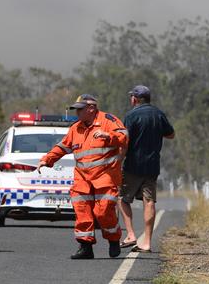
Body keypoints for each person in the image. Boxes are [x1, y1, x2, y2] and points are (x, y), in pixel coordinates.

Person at [38, 94, 128, 259]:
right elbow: (63, 147)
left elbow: (125, 138)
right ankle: (85, 247)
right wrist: (46, 160)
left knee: (103, 212)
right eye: (76, 110)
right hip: (82, 178)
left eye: (80, 110)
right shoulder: (75, 128)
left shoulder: (109, 121)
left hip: (105, 176)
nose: (77, 113)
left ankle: (114, 239)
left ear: (91, 109)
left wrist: (110, 136)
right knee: (82, 212)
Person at [119, 85, 174, 253]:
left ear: (135, 99)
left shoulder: (131, 115)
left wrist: (118, 161)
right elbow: (171, 134)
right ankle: (147, 242)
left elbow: (124, 141)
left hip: (133, 166)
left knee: (122, 198)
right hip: (152, 166)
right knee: (149, 201)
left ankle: (130, 234)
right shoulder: (159, 114)